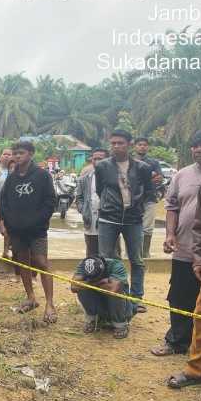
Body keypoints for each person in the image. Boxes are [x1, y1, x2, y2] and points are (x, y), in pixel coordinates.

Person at [153, 129, 201, 357]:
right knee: (180, 297)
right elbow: (173, 208)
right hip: (187, 251)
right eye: (195, 145)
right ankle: (178, 342)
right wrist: (170, 234)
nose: (200, 150)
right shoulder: (184, 176)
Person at [95, 129, 154, 313]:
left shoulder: (142, 167)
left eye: (120, 143)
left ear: (129, 144)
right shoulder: (102, 166)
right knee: (106, 258)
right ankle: (111, 295)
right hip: (108, 219)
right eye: (113, 143)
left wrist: (136, 208)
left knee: (137, 260)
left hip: (133, 220)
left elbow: (149, 192)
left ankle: (136, 299)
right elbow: (100, 190)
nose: (116, 146)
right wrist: (110, 207)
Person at [0, 140, 57, 322]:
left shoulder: (42, 175)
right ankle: (31, 297)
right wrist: (7, 223)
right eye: (15, 153)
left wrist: (39, 220)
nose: (17, 156)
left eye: (21, 153)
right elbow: (4, 202)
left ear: (31, 154)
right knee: (23, 262)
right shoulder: (11, 177)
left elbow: (50, 201)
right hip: (16, 230)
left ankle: (50, 303)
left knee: (41, 261)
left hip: (37, 229)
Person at [71, 256, 132, 338]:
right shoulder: (83, 265)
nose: (93, 279)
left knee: (116, 291)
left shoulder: (116, 265)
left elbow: (113, 289)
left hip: (120, 308)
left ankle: (120, 324)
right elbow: (74, 287)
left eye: (97, 277)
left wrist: (87, 283)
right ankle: (93, 319)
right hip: (99, 303)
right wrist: (97, 282)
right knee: (81, 289)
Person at [134, 137, 165, 258]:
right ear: (135, 146)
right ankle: (132, 252)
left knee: (147, 227)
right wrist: (149, 176)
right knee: (131, 227)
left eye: (145, 145)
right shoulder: (129, 161)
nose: (142, 147)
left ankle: (145, 253)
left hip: (149, 198)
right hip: (132, 200)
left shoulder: (153, 162)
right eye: (140, 144)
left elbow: (159, 177)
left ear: (148, 147)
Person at [76, 148, 109, 258]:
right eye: (95, 159)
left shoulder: (113, 178)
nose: (97, 161)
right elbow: (79, 197)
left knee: (110, 253)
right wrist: (83, 210)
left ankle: (110, 275)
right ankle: (92, 274)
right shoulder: (84, 179)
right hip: (89, 221)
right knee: (91, 253)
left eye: (100, 159)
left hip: (109, 222)